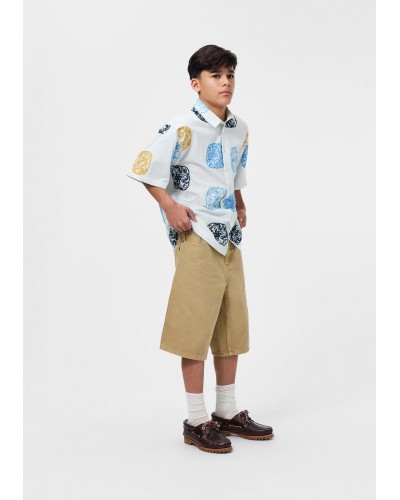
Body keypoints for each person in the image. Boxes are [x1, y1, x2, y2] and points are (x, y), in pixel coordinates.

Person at [127, 45, 274, 453]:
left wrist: (240, 203)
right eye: (216, 75)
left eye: (230, 75)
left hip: (229, 237)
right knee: (194, 328)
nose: (226, 82)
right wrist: (170, 206)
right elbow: (144, 168)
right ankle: (196, 420)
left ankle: (226, 411)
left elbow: (235, 173)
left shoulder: (239, 128)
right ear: (196, 84)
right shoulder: (180, 127)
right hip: (197, 236)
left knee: (231, 324)